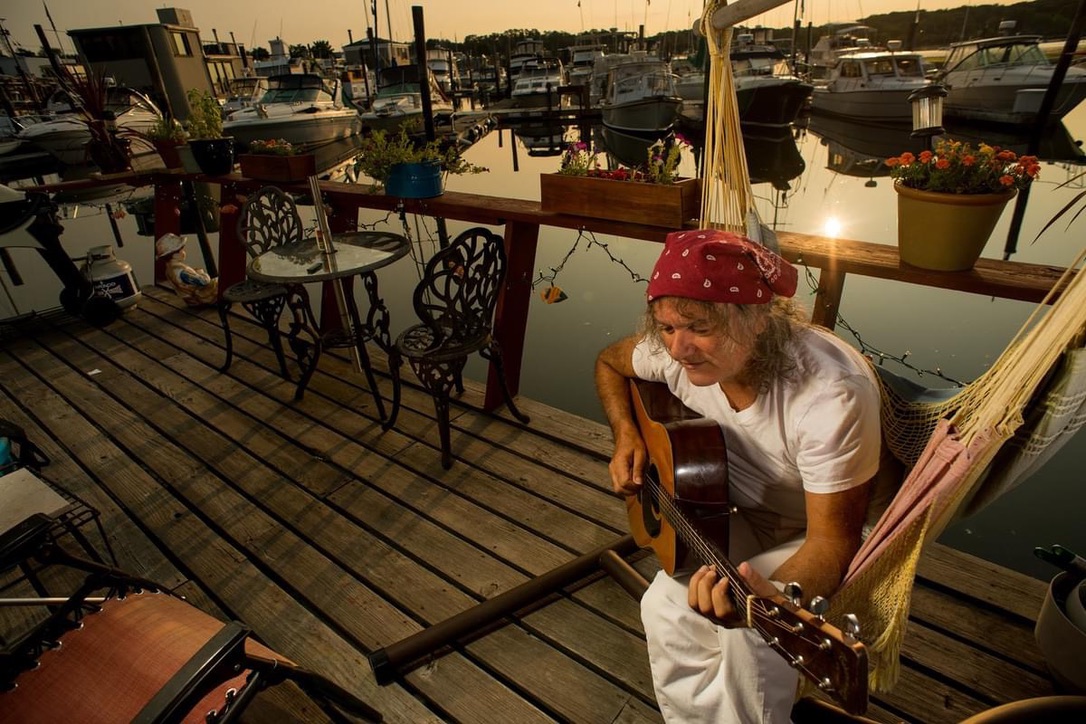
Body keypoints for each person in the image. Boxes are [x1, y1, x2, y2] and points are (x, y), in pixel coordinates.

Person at [594, 229, 897, 723]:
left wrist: (765, 602)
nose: (677, 348)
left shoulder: (828, 396)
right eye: (666, 327)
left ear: (758, 319)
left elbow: (832, 543)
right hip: (736, 508)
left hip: (827, 529)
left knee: (749, 640)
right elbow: (609, 363)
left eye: (697, 327)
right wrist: (626, 433)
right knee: (665, 607)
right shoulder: (672, 351)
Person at [155, 233, 218, 307]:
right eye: (181, 250)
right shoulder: (182, 272)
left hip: (190, 300)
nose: (184, 252)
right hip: (199, 298)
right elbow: (204, 281)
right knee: (219, 282)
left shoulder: (169, 270)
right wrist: (202, 273)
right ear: (174, 254)